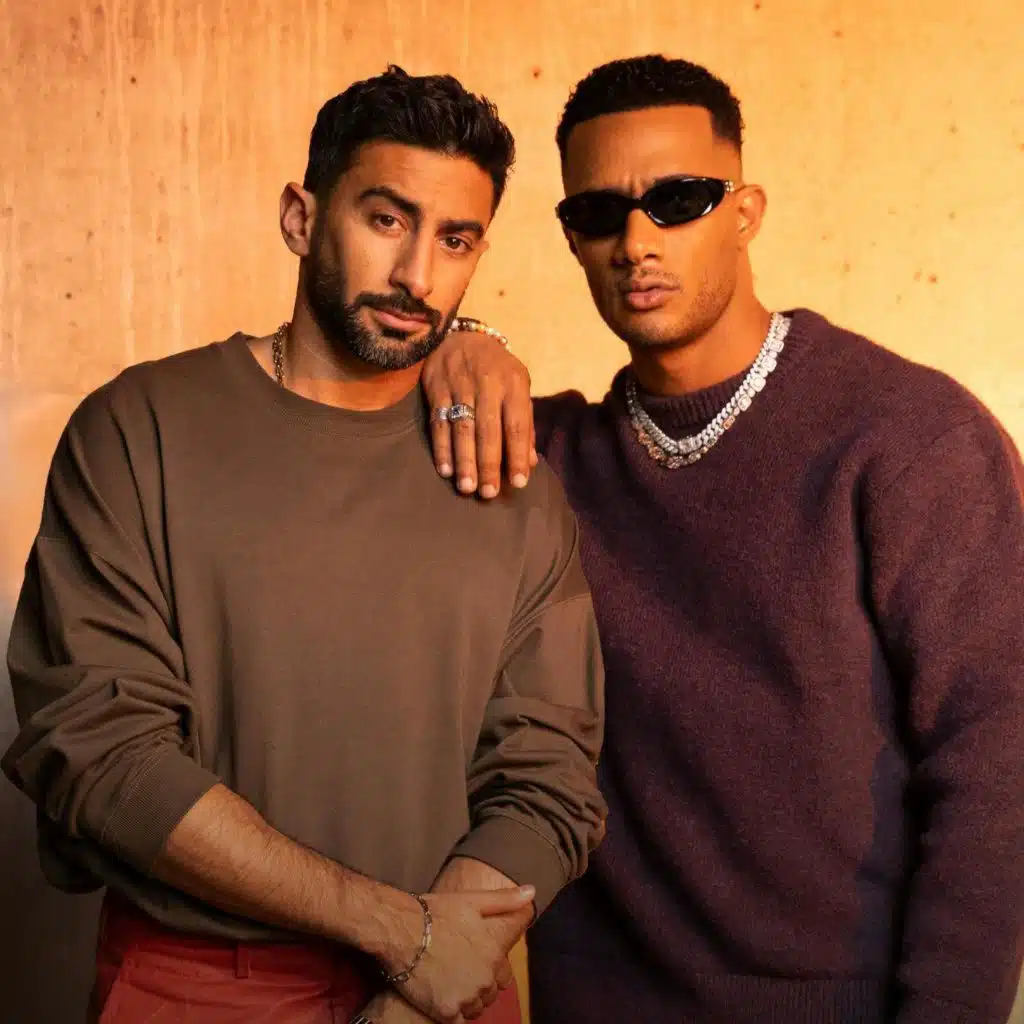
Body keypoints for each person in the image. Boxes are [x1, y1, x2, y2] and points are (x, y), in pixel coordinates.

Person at [419, 55, 1024, 1023]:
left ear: (745, 212)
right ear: (570, 237)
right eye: (599, 214)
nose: (636, 242)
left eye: (678, 201)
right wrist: (462, 340)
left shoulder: (908, 437)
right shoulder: (542, 458)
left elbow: (997, 767)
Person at [2, 66, 606, 1024]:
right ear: (301, 217)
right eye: (386, 219)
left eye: (455, 240)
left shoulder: (507, 468)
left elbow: (551, 773)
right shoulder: (140, 429)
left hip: (452, 986)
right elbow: (101, 748)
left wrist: (424, 979)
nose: (418, 276)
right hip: (201, 983)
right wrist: (399, 932)